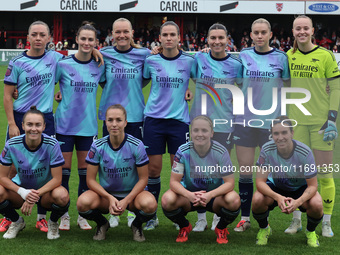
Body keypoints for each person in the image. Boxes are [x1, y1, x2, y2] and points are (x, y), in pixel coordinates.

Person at [2, 20, 64, 234]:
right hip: (20, 118)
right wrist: (11, 123)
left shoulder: (56, 58)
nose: (38, 38)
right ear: (27, 38)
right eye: (34, 34)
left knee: (46, 167)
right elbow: (8, 96)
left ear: (49, 39)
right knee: (10, 167)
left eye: (42, 35)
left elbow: (77, 66)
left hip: (45, 118)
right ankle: (10, 216)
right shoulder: (17, 63)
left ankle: (41, 217)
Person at [232, 18, 290, 232]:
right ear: (251, 35)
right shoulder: (243, 56)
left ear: (270, 35)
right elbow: (237, 84)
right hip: (245, 122)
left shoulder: (281, 58)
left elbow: (288, 87)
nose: (259, 36)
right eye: (255, 32)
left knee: (269, 175)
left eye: (263, 32)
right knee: (246, 171)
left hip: (270, 125)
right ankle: (245, 218)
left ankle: (265, 222)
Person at [285, 15, 340, 238]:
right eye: (298, 28)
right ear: (293, 31)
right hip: (295, 124)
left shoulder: (325, 56)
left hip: (320, 124)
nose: (302, 32)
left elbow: (335, 89)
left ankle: (326, 221)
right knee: (297, 175)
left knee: (325, 174)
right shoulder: (288, 56)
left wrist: (332, 120)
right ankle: (296, 218)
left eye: (305, 28)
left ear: (312, 30)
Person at [142, 21, 195, 230]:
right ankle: (152, 215)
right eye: (165, 34)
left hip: (179, 122)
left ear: (179, 38)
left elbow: (200, 75)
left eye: (173, 34)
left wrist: (189, 88)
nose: (169, 38)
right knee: (153, 171)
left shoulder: (190, 61)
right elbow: (143, 81)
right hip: (154, 120)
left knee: (179, 170)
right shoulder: (151, 60)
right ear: (160, 38)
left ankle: (177, 215)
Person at [98, 17, 151, 228]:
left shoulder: (144, 54)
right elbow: (99, 80)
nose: (121, 35)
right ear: (112, 33)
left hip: (135, 116)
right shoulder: (103, 54)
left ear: (132, 33)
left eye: (125, 31)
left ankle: (132, 209)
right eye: (117, 32)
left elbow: (148, 77)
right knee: (109, 164)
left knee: (134, 165)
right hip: (109, 118)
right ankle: (112, 208)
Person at [76, 104, 157, 241]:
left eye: (119, 120)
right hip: (106, 197)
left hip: (132, 196)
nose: (114, 124)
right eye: (110, 120)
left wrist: (126, 200)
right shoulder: (97, 146)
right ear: (105, 122)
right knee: (83, 203)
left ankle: (136, 225)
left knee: (150, 204)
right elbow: (90, 180)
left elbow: (144, 179)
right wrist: (109, 198)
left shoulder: (137, 145)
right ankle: (102, 224)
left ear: (125, 122)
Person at [190, 23, 243, 232]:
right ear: (207, 40)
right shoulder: (199, 59)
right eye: (213, 38)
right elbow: (190, 77)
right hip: (199, 125)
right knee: (199, 172)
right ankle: (201, 217)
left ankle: (216, 215)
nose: (217, 41)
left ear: (227, 39)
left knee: (220, 172)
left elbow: (242, 90)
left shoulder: (236, 65)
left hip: (224, 124)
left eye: (221, 37)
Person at [54, 22, 105, 231]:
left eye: (90, 39)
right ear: (76, 39)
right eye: (83, 39)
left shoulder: (100, 65)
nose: (86, 42)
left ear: (96, 42)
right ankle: (64, 214)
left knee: (86, 173)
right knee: (64, 172)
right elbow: (47, 86)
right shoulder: (63, 64)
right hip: (64, 126)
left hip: (88, 127)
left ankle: (82, 214)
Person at [161, 115, 240, 243]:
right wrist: (189, 195)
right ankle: (184, 226)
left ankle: (221, 228)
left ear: (212, 133)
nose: (200, 134)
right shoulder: (183, 151)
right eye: (196, 130)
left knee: (234, 200)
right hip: (189, 197)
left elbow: (230, 183)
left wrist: (210, 195)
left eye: (204, 131)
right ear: (191, 133)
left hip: (214, 198)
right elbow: (173, 182)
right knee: (167, 199)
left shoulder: (221, 151)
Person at [252, 116, 323, 247]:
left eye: (284, 132)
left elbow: (313, 186)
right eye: (276, 133)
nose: (280, 137)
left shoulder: (305, 152)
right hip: (277, 187)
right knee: (257, 199)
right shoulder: (267, 149)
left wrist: (298, 202)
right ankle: (264, 229)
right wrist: (277, 197)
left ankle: (310, 232)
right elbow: (260, 182)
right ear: (272, 135)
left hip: (299, 189)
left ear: (292, 133)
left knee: (317, 203)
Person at [0, 106, 70, 240]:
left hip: (46, 193)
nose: (34, 128)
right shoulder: (12, 144)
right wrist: (22, 192)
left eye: (38, 125)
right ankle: (17, 221)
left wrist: (33, 196)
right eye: (29, 124)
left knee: (62, 195)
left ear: (44, 126)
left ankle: (53, 222)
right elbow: (2, 177)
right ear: (23, 126)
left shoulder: (52, 144)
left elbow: (57, 179)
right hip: (20, 192)